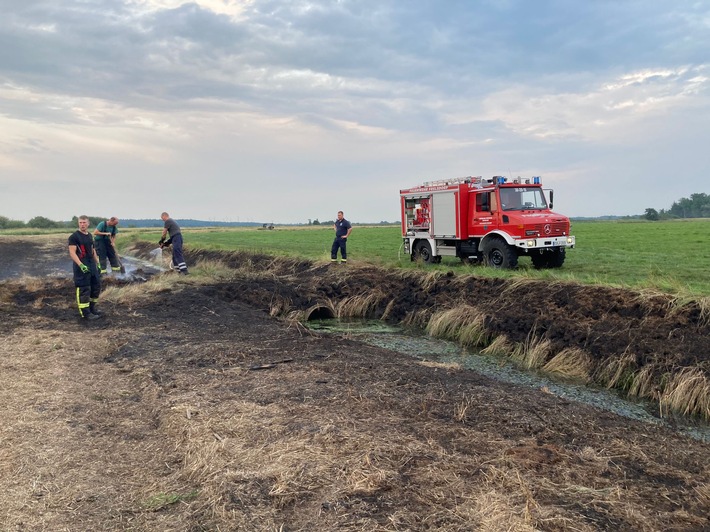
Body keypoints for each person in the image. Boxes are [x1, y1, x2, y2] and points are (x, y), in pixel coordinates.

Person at [68, 215, 102, 320]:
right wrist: (81, 265)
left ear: (88, 223)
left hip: (92, 265)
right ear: (78, 223)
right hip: (81, 266)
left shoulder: (90, 235)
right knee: (84, 289)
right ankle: (85, 313)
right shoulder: (74, 237)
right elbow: (72, 253)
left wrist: (98, 263)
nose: (82, 224)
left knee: (95, 287)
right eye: (80, 222)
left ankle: (92, 309)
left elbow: (92, 250)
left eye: (84, 222)